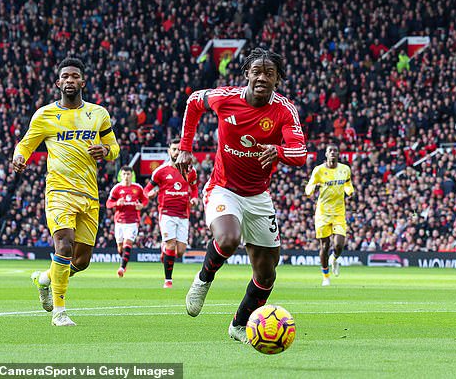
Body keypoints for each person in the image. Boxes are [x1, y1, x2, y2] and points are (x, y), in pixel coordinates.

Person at [175, 48, 307, 343]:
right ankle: (202, 280)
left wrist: (279, 151)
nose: (262, 77)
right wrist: (185, 147)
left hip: (258, 196)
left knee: (267, 274)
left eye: (269, 73)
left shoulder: (285, 110)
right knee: (228, 238)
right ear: (246, 74)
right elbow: (194, 101)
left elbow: (300, 154)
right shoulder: (226, 98)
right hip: (223, 188)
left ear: (277, 79)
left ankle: (238, 324)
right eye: (256, 72)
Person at [13, 57, 120, 326]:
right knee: (64, 244)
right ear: (58, 82)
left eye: (75, 76)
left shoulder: (98, 114)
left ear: (83, 82)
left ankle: (45, 278)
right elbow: (26, 144)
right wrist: (19, 156)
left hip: (89, 194)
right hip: (59, 190)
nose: (70, 80)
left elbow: (114, 149)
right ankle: (60, 312)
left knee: (81, 261)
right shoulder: (45, 115)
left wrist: (106, 150)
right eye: (65, 76)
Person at [143, 139, 198, 288]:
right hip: (166, 212)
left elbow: (194, 189)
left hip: (183, 214)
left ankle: (164, 249)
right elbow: (146, 189)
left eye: (179, 150)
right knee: (171, 244)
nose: (177, 152)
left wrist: (194, 199)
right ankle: (168, 280)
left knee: (180, 252)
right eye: (174, 149)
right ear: (169, 151)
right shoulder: (160, 171)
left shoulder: (190, 171)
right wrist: (150, 194)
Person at [305, 144, 354, 286]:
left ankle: (334, 258)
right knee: (324, 246)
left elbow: (348, 184)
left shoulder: (345, 169)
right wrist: (312, 189)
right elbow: (309, 187)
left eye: (335, 151)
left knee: (339, 245)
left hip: (339, 212)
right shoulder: (319, 170)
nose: (333, 153)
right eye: (330, 151)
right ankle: (326, 276)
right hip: (323, 213)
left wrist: (350, 191)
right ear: (326, 154)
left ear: (338, 154)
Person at [106, 166, 148, 277]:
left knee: (127, 243)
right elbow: (108, 204)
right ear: (121, 175)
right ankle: (124, 262)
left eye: (128, 174)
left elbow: (145, 199)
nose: (126, 177)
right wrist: (116, 204)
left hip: (133, 221)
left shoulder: (137, 188)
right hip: (119, 221)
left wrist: (141, 205)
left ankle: (122, 267)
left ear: (132, 175)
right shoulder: (116, 188)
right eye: (124, 174)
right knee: (120, 247)